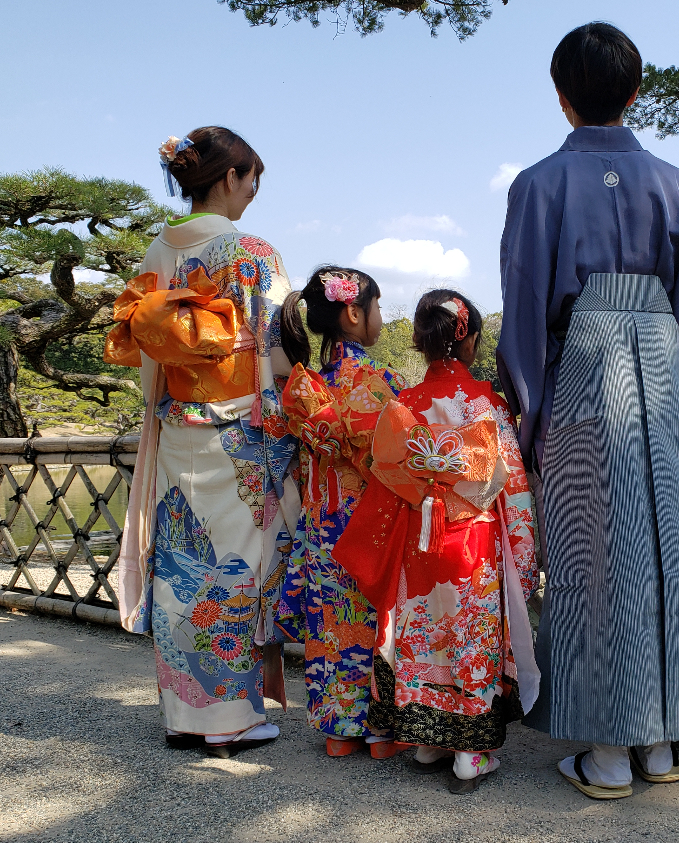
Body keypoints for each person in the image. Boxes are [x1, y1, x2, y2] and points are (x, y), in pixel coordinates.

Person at [495, 23, 679, 798]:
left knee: (596, 558)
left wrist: (525, 417)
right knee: (671, 551)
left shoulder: (538, 184)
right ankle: (661, 744)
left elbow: (527, 306)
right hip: (662, 364)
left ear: (561, 99)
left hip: (586, 366)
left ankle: (606, 753)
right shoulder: (674, 181)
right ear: (636, 94)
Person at [107, 127, 301, 758]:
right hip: (241, 428)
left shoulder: (158, 250)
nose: (253, 193)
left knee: (183, 566)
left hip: (175, 424)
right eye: (251, 181)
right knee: (236, 568)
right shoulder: (253, 254)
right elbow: (279, 348)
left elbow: (147, 350)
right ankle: (229, 718)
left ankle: (183, 713)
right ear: (227, 178)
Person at [332, 290, 539, 794]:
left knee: (422, 632)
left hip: (416, 541)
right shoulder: (486, 404)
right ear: (464, 336)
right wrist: (527, 560)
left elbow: (384, 482)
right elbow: (513, 487)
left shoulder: (402, 405)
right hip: (472, 542)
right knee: (470, 638)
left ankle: (427, 741)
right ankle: (470, 753)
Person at [275, 266, 406, 758]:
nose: (378, 317)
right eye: (375, 307)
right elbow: (398, 460)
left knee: (331, 622)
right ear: (353, 313)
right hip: (370, 525)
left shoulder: (305, 387)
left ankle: (337, 733)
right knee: (373, 619)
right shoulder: (377, 383)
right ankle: (379, 732)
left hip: (321, 525)